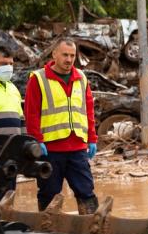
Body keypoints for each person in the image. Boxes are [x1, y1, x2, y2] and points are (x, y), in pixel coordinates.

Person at [25, 38, 99, 213]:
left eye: (72, 55)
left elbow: (88, 111)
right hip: (50, 150)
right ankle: (48, 232)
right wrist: (37, 140)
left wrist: (92, 138)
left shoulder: (81, 78)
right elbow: (31, 113)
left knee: (86, 192)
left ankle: (91, 230)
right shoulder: (38, 79)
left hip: (77, 149)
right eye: (65, 54)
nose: (69, 59)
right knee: (48, 194)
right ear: (54, 54)